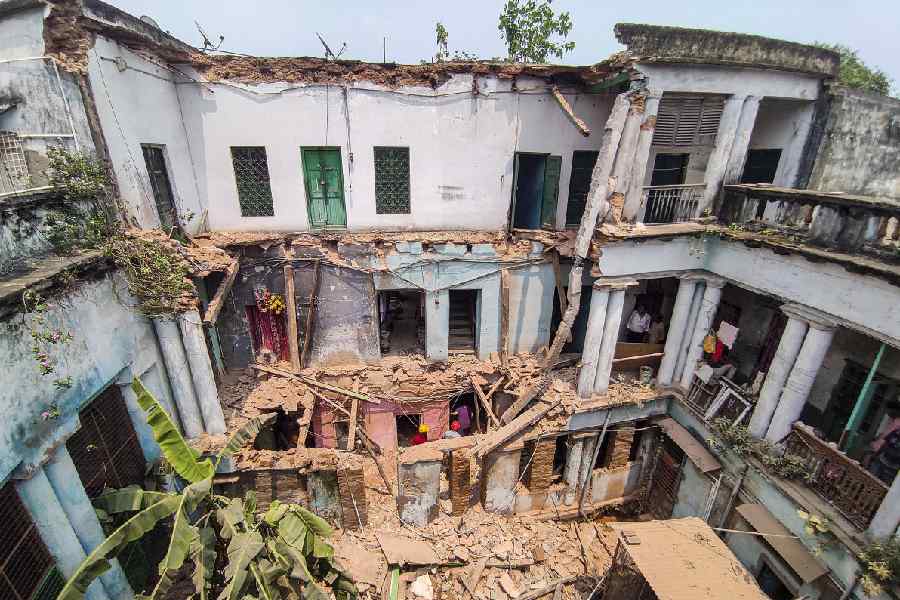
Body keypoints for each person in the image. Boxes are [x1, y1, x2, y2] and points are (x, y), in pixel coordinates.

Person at [868, 402, 900, 485]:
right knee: (869, 482)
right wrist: (874, 455)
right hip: (882, 461)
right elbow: (885, 441)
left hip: (892, 468)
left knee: (880, 488)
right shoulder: (895, 430)